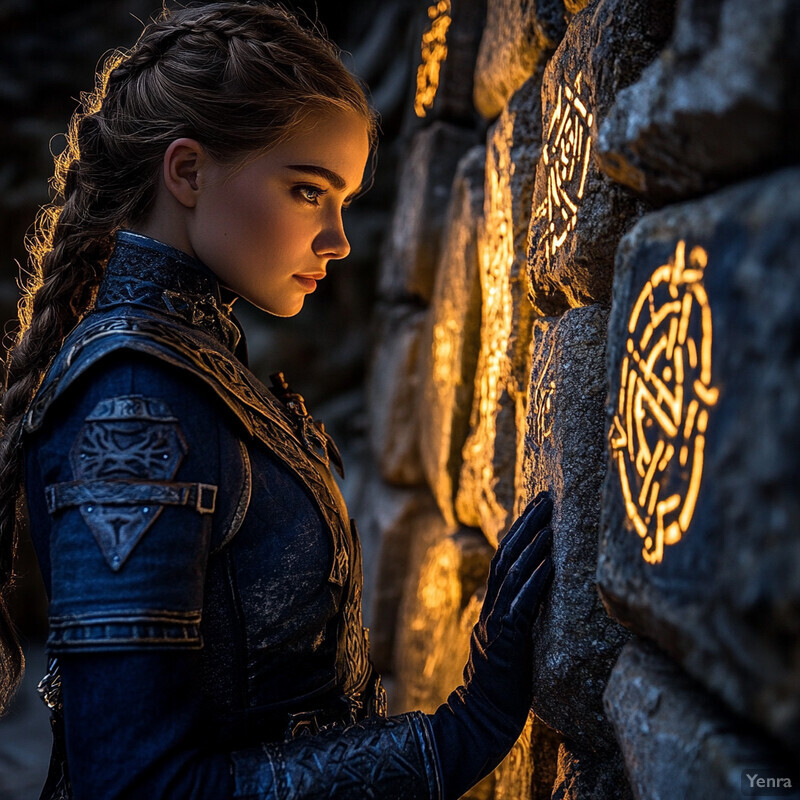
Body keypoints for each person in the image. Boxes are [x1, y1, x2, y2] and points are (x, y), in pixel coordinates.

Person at [0, 3, 554, 798]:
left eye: (344, 202)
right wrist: (459, 734)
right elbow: (134, 786)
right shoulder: (132, 405)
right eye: (306, 191)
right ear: (188, 173)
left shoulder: (194, 364)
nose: (338, 240)